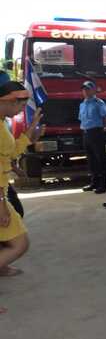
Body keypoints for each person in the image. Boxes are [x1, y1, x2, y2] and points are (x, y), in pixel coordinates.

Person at [0, 74, 42, 298]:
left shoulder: (2, 123)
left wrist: (30, 133)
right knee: (20, 244)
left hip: (3, 190)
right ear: (8, 100)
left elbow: (8, 152)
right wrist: (1, 204)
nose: (21, 111)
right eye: (20, 105)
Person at [79, 80, 106, 194]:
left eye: (88, 89)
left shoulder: (99, 103)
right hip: (86, 133)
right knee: (91, 160)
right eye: (84, 89)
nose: (85, 91)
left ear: (94, 90)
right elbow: (82, 119)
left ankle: (105, 185)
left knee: (101, 159)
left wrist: (101, 129)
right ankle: (95, 182)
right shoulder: (82, 104)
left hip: (96, 132)